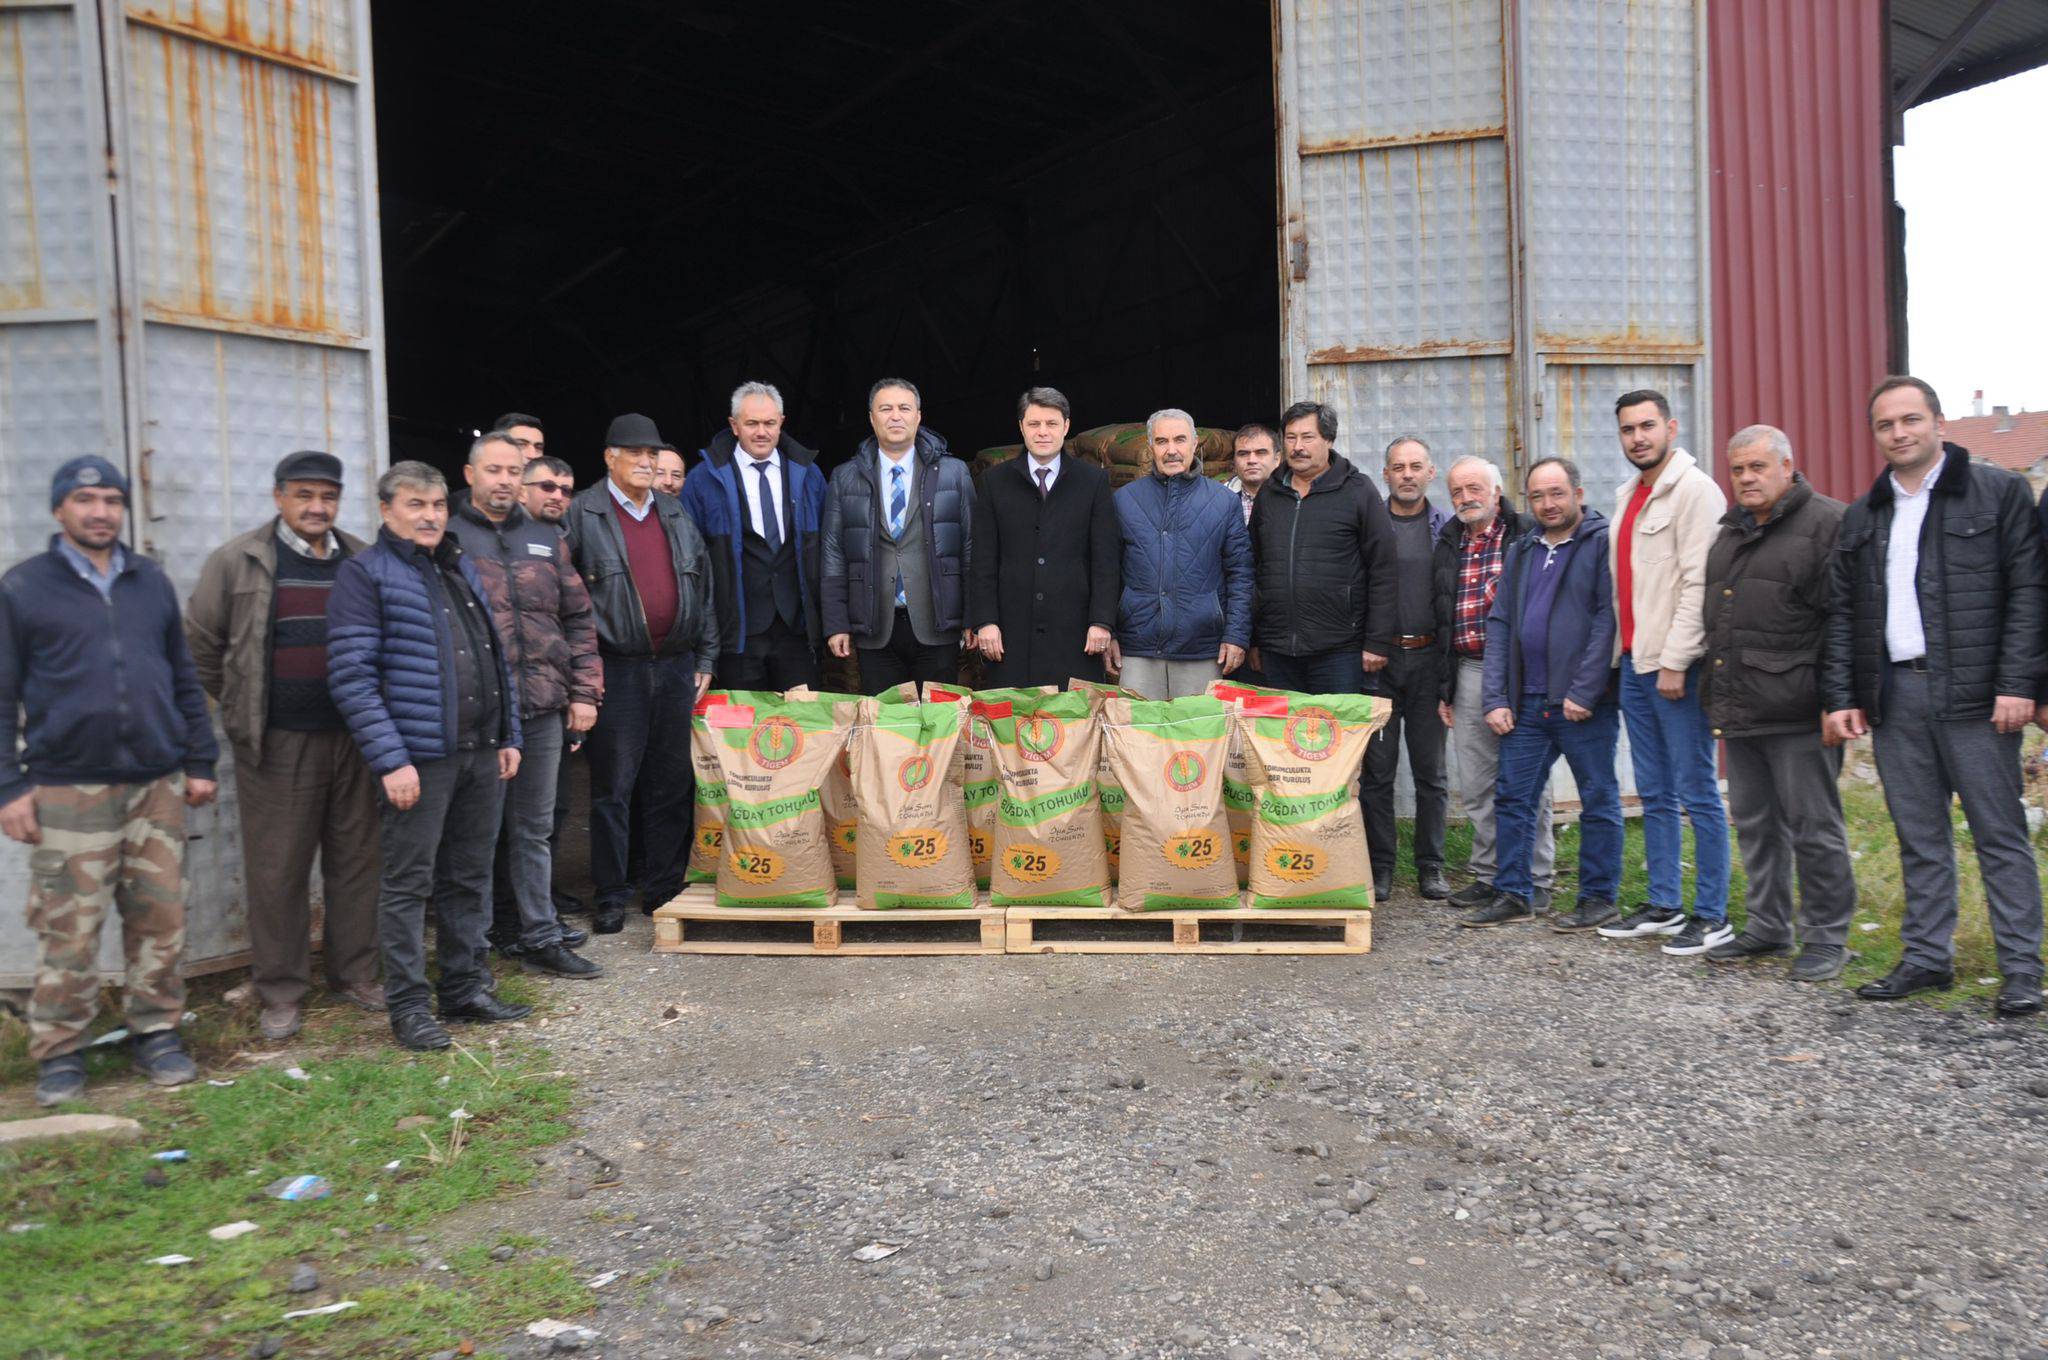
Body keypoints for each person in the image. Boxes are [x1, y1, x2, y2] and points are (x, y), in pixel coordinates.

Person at [1824, 376, 2048, 1017]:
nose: (1899, 433)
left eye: (1910, 420)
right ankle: (1927, 958)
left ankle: (2021, 970)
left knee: (1998, 834)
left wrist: (2016, 683)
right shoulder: (1866, 514)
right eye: (1886, 425)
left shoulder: (1997, 492)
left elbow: (2029, 593)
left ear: (1938, 423)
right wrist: (1844, 693)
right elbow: (1845, 611)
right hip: (1897, 695)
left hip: (1978, 697)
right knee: (1919, 835)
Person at [2, 456, 218, 1105]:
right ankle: (60, 1051)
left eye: (111, 500)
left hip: (156, 784)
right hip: (69, 789)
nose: (101, 511)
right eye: (86, 499)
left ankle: (155, 1032)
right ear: (59, 509)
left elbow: (183, 676)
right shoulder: (23, 588)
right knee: (68, 927)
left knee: (160, 918)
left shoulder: (148, 581)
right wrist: (8, 787)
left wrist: (199, 760)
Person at [328, 462, 527, 1051]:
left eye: (438, 505)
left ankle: (465, 987)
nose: (430, 516)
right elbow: (351, 676)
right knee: (408, 885)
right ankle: (410, 1007)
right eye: (415, 505)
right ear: (386, 509)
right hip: (419, 759)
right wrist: (391, 759)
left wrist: (509, 733)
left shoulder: (457, 566)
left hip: (480, 752)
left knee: (468, 877)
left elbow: (496, 656)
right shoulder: (366, 576)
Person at [185, 450, 380, 1042]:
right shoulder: (238, 561)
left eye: (327, 496)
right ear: (278, 498)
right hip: (276, 743)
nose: (316, 507)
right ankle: (281, 990)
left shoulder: (362, 561)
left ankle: (357, 973)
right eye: (304, 495)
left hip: (355, 738)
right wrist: (248, 704)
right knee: (277, 871)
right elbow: (201, 647)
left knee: (357, 863)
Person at [1698, 426, 1856, 981]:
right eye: (1738, 469)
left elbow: (1844, 620)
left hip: (1800, 709)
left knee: (1814, 826)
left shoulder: (1826, 525)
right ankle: (1768, 925)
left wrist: (1835, 700)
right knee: (1756, 824)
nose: (1746, 478)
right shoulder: (1730, 533)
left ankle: (1827, 937)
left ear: (1788, 466)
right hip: (1742, 707)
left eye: (1757, 467)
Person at [448, 432, 603, 979]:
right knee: (473, 834)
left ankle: (540, 934)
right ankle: (472, 947)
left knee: (534, 828)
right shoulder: (447, 536)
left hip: (540, 707)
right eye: (493, 471)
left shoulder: (546, 537)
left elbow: (579, 618)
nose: (504, 481)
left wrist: (585, 691)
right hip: (476, 713)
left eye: (513, 472)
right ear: (470, 475)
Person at [562, 414, 719, 933]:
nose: (648, 463)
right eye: (636, 454)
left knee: (671, 783)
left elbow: (703, 589)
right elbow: (565, 601)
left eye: (653, 455)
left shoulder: (674, 512)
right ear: (610, 458)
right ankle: (610, 892)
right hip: (618, 669)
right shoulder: (583, 514)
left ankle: (663, 887)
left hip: (675, 666)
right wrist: (581, 674)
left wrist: (705, 658)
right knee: (613, 787)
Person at [1596, 389, 1733, 957]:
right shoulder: (1632, 494)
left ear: (1671, 427)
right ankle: (1663, 904)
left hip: (1676, 667)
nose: (1638, 438)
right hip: (1634, 661)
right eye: (1628, 429)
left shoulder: (1696, 492)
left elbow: (1700, 584)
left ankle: (1712, 913)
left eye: (1647, 426)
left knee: (1696, 789)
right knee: (1652, 790)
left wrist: (1678, 660)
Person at [1465, 458, 1622, 931]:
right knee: (1513, 797)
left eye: (1556, 493)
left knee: (1598, 799)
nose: (1547, 504)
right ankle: (1516, 892)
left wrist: (1585, 690)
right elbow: (1501, 622)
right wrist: (1495, 697)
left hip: (1580, 705)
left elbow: (1606, 620)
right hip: (1528, 702)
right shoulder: (1524, 548)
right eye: (1537, 496)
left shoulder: (1600, 545)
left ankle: (1598, 898)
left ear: (1577, 492)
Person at [1433, 455, 1554, 913]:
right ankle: (1490, 875)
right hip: (1467, 671)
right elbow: (1441, 617)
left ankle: (1536, 877)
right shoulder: (1448, 542)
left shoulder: (1526, 533)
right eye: (1457, 491)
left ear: (1496, 491)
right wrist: (1445, 689)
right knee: (1479, 782)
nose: (1466, 498)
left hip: (1521, 672)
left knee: (1527, 781)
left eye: (1474, 488)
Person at [821, 378, 976, 693]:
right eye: (885, 408)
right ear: (871, 418)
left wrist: (974, 614)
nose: (895, 416)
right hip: (875, 626)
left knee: (939, 727)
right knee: (887, 730)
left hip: (938, 623)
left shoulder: (954, 472)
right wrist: (836, 622)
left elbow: (971, 546)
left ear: (918, 416)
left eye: (904, 408)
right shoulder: (845, 477)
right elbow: (833, 554)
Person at [969, 386, 1119, 688]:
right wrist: (986, 621)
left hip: (1075, 633)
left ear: (1066, 427)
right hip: (1010, 633)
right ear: (1021, 427)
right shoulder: (994, 483)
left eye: (1051, 424)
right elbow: (983, 559)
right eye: (1034, 424)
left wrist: (1102, 622)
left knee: (1073, 725)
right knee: (1011, 725)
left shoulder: (1092, 481)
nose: (1043, 432)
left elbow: (1106, 559)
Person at [683, 382, 827, 692]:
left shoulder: (809, 474)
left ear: (781, 423)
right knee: (741, 732)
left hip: (797, 631)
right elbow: (689, 562)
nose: (761, 432)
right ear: (734, 426)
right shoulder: (702, 480)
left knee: (804, 728)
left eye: (769, 423)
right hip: (737, 634)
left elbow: (830, 549)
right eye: (752, 423)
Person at [1249, 401, 1396, 698]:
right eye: (1290, 437)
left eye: (1307, 437)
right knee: (1282, 741)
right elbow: (1252, 566)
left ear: (1328, 440)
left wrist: (1377, 641)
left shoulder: (1358, 491)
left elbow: (1384, 569)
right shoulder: (1270, 494)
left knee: (1336, 739)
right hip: (1277, 650)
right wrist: (1253, 638)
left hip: (1339, 651)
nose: (1298, 447)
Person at [1364, 435, 1454, 900]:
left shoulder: (1447, 528)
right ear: (1386, 474)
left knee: (1430, 772)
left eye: (1416, 466)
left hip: (1428, 660)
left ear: (1430, 472)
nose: (1407, 474)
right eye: (1398, 467)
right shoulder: (1372, 525)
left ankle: (1431, 866)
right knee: (1377, 773)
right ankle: (1380, 868)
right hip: (1380, 664)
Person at [1108, 408, 1252, 698]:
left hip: (1201, 648)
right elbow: (1107, 572)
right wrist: (1108, 632)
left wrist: (1236, 636)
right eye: (1162, 442)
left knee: (1196, 740)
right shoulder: (1123, 500)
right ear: (1151, 448)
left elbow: (1241, 574)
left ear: (1195, 443)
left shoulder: (1223, 502)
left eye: (1180, 440)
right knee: (1138, 739)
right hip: (1137, 648)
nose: (1171, 450)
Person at [1225, 423, 1279, 525]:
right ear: (1234, 461)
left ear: (1277, 459)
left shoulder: (1294, 498)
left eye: (1261, 452)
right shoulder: (1219, 500)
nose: (1251, 460)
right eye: (1243, 454)